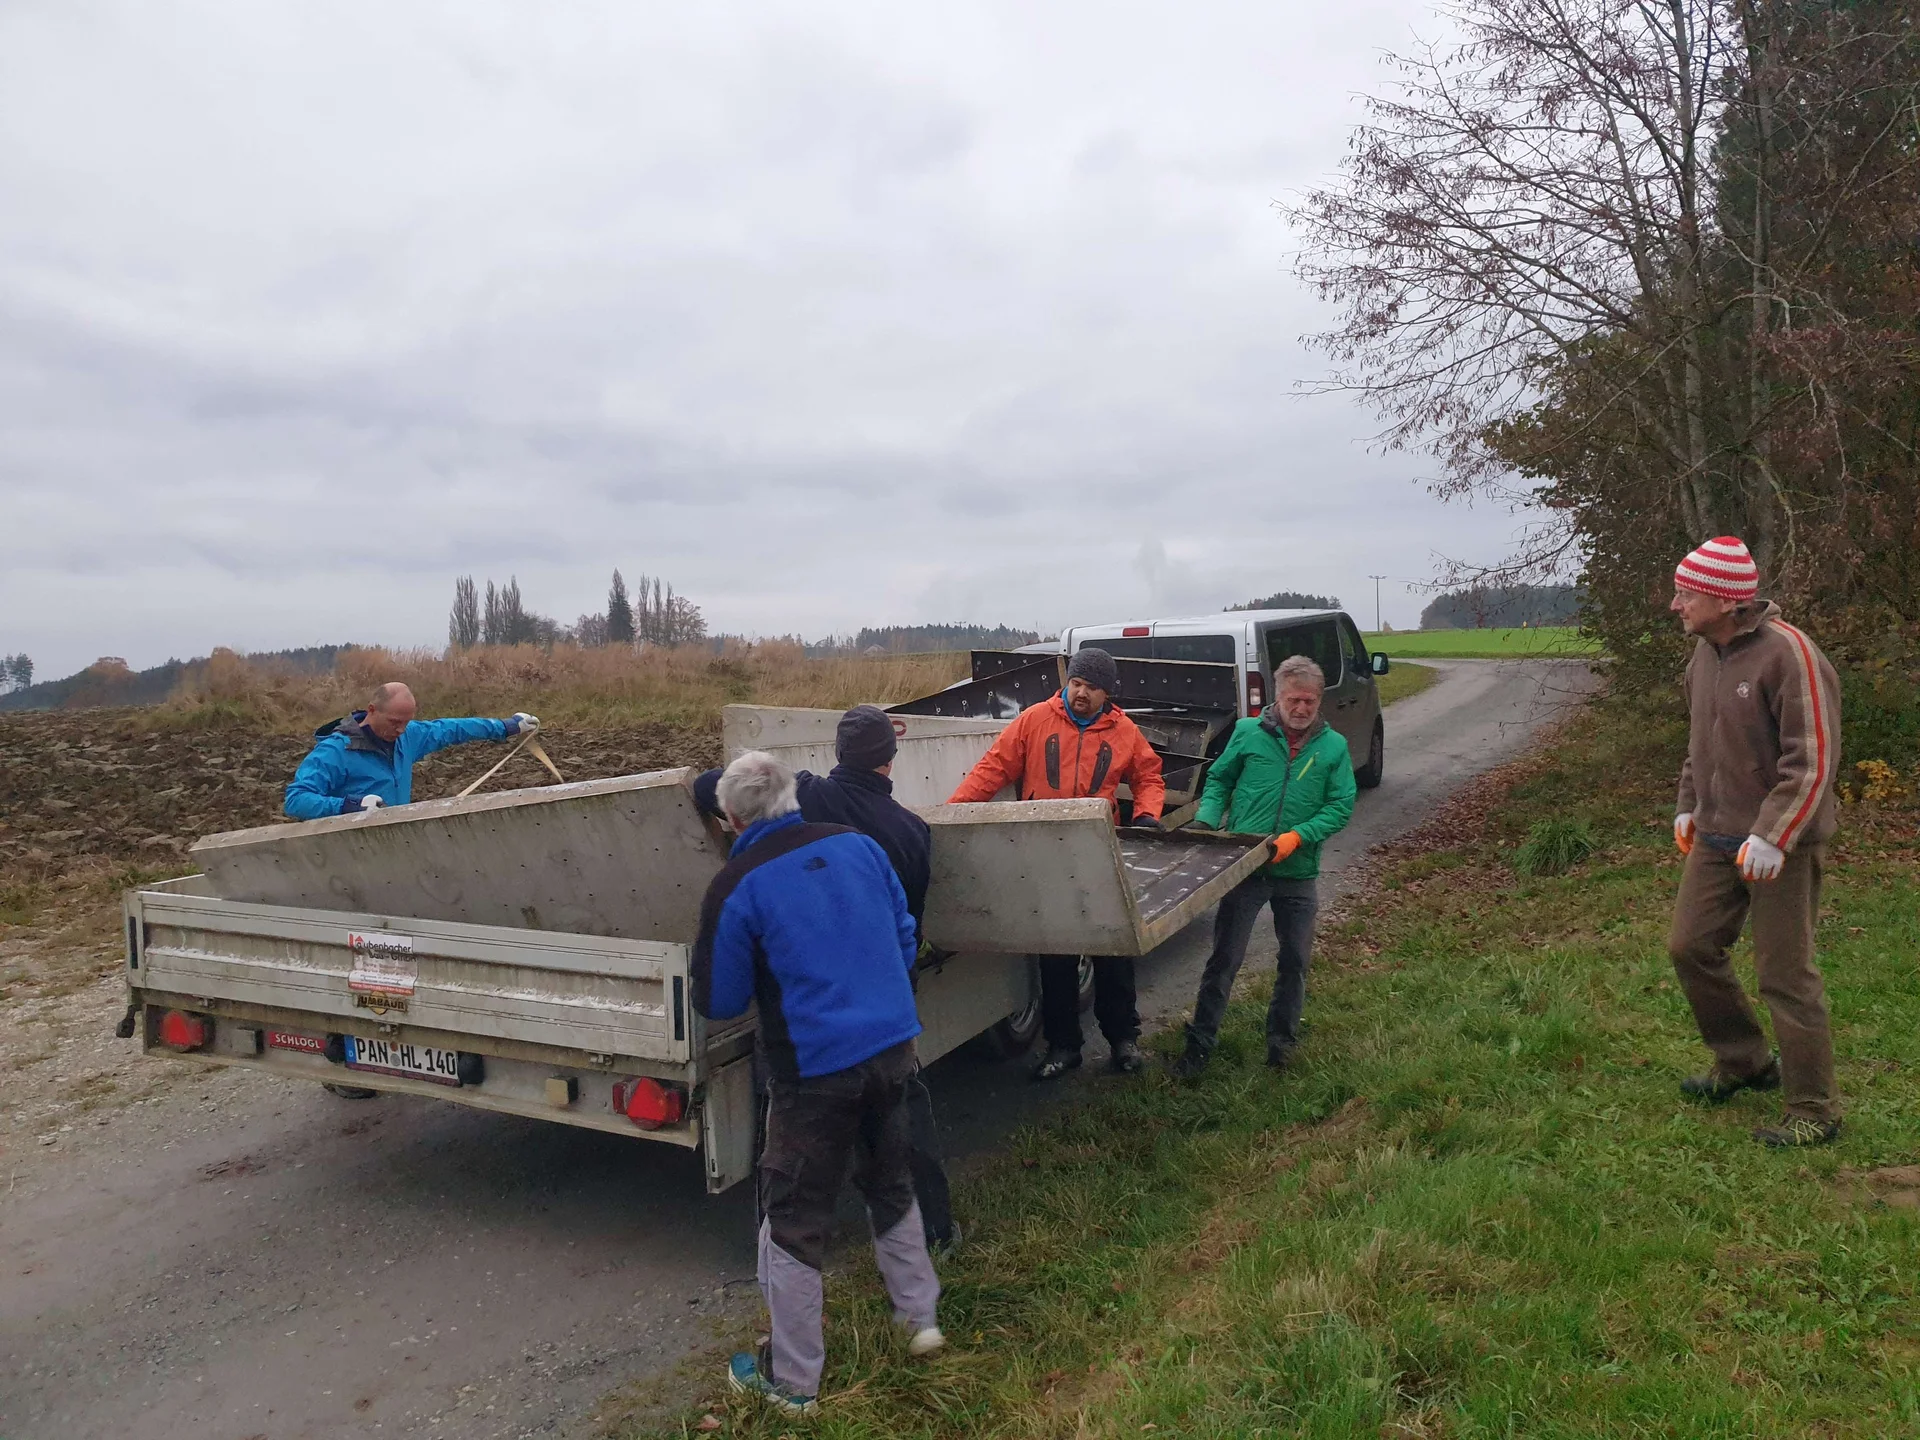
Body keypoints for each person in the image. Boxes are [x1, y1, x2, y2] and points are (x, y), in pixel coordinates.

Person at [693, 751, 943, 1417]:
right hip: (893, 1048)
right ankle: (920, 1320)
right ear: (792, 797)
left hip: (813, 1072)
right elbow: (903, 935)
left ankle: (794, 1381)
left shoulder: (737, 883)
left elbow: (718, 1000)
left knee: (793, 1218)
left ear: (732, 816)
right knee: (890, 1182)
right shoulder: (859, 846)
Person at [692, 705, 959, 1256]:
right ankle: (935, 1237)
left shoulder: (805, 796)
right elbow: (910, 924)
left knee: (789, 1155)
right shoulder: (910, 832)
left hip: (806, 1025)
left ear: (838, 754)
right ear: (891, 757)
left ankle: (783, 1265)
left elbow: (706, 787)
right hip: (884, 1017)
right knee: (903, 1129)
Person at [1667, 536, 1844, 1147]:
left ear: (1723, 600)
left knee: (1785, 974)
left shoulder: (1788, 655)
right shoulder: (1703, 657)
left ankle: (1815, 1112)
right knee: (1690, 947)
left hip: (1779, 848)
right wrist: (1689, 805)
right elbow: (1701, 745)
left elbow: (1812, 761)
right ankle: (1745, 1062)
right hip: (1716, 840)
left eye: (1686, 593)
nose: (1676, 604)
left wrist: (1774, 835)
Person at [947, 647, 1166, 1081]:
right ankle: (1064, 1047)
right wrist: (953, 813)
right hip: (1043, 853)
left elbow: (1149, 775)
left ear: (1108, 693)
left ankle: (1124, 1040)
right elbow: (993, 769)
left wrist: (1147, 815)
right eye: (1077, 684)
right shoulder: (1033, 720)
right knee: (1056, 958)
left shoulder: (1124, 730)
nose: (1081, 693)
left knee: (1113, 952)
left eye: (1091, 688)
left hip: (1098, 852)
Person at [1172, 654, 1356, 1078]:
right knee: (1224, 960)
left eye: (1310, 701)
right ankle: (1198, 1048)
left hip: (1298, 873)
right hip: (1246, 868)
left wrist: (1300, 836)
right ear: (1278, 696)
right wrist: (1207, 817)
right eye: (1294, 699)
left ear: (1318, 701)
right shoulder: (1247, 733)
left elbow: (1341, 805)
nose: (1301, 709)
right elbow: (1219, 779)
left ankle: (1281, 1045)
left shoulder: (1333, 748)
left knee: (1294, 962)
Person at [284, 683, 537, 820]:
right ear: (372, 710)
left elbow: (452, 728)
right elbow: (297, 800)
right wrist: (349, 806)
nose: (401, 730)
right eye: (395, 722)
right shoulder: (335, 751)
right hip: (348, 854)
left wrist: (505, 726)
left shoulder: (408, 737)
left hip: (394, 842)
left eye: (407, 722)